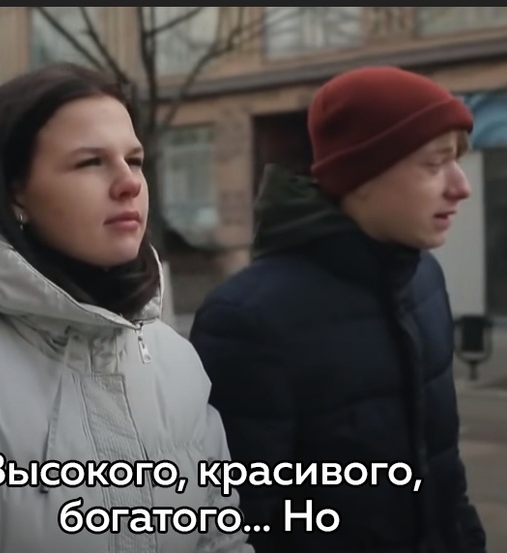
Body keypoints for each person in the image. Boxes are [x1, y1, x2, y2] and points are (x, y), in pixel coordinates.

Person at [0, 62, 253, 553]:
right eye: (91, 162)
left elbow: (220, 540)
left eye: (134, 160)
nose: (129, 183)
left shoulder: (174, 359)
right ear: (14, 190)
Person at [189, 66, 487, 553]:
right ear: (361, 176)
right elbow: (243, 522)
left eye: (457, 161)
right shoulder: (248, 320)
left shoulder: (423, 277)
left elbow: (444, 475)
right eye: (435, 165)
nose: (461, 186)